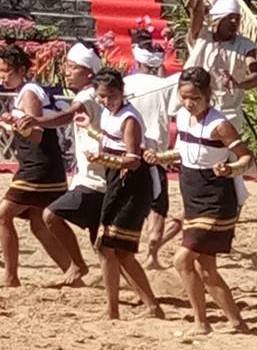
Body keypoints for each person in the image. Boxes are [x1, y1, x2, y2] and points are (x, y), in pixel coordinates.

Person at [145, 67, 252, 334]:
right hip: (192, 195)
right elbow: (183, 152)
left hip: (216, 199)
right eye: (185, 97)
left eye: (195, 98)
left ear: (208, 95)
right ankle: (236, 322)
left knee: (182, 260)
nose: (189, 103)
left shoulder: (220, 125)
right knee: (206, 268)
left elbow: (246, 157)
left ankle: (200, 321)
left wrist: (231, 169)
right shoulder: (182, 117)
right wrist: (160, 157)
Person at [16, 43, 103, 287]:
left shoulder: (87, 96)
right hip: (91, 176)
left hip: (96, 179)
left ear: (89, 73)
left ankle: (77, 266)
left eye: (73, 67)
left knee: (51, 216)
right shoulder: (90, 94)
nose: (66, 71)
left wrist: (37, 119)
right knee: (101, 242)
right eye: (66, 65)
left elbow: (65, 117)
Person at [82, 68, 163, 320]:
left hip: (132, 185)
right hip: (116, 181)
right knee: (109, 247)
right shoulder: (109, 114)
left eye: (111, 96)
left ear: (121, 92)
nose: (106, 101)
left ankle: (137, 306)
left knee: (116, 248)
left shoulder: (129, 118)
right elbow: (109, 138)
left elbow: (133, 160)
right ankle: (126, 306)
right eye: (102, 97)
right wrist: (90, 129)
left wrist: (103, 158)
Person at [0, 45, 71, 287]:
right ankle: (73, 271)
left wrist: (15, 123)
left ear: (21, 70)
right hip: (42, 164)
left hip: (39, 166)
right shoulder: (28, 91)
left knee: (3, 216)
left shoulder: (29, 92)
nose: (2, 76)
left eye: (6, 71)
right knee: (38, 224)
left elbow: (36, 133)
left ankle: (11, 276)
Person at [186, 0, 257, 211]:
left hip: (228, 112)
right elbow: (196, 10)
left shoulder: (245, 46)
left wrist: (237, 82)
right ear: (217, 19)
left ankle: (233, 204)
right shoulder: (202, 38)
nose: (234, 23)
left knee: (228, 160)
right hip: (200, 110)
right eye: (229, 18)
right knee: (199, 157)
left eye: (236, 19)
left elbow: (256, 76)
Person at [124, 41, 176, 269]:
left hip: (128, 149)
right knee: (157, 205)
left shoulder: (125, 83)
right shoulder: (164, 86)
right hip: (154, 152)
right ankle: (151, 256)